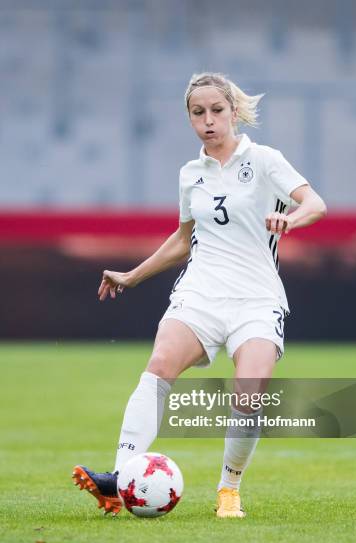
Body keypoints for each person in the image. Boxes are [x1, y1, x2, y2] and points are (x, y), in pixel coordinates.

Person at [72, 72, 326, 518]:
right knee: (157, 368)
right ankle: (117, 478)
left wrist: (292, 219)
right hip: (201, 292)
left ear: (233, 112)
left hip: (256, 298)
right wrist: (132, 276)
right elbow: (184, 239)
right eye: (197, 113)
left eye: (216, 111)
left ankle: (229, 488)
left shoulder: (265, 160)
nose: (208, 120)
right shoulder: (191, 174)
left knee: (248, 394)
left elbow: (315, 204)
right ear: (190, 118)